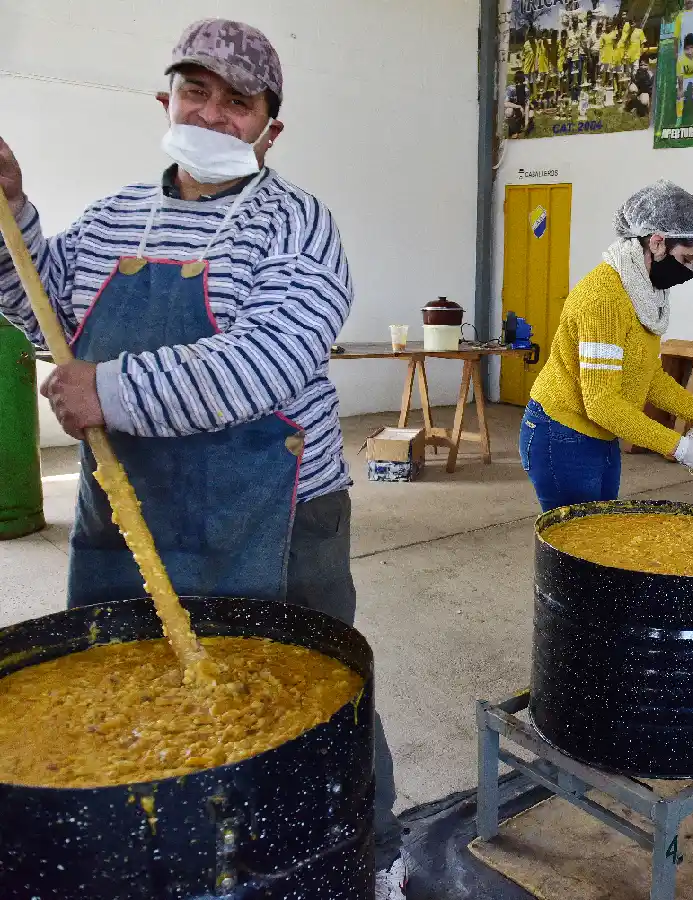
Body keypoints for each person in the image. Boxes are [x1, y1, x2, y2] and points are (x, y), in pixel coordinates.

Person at [0, 17, 401, 843]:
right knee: (137, 698)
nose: (213, 115)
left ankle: (371, 849)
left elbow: (267, 364)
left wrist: (106, 391)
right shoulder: (114, 219)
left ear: (270, 127)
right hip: (132, 509)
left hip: (276, 515)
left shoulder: (296, 225)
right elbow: (35, 303)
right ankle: (178, 854)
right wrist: (10, 211)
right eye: (196, 92)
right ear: (166, 101)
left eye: (239, 102)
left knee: (311, 704)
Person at [520, 181, 693, 512]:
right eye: (687, 259)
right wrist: (680, 447)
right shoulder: (605, 298)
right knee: (576, 543)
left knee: (600, 533)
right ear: (658, 242)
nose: (689, 271)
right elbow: (601, 403)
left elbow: (648, 375)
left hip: (601, 433)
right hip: (562, 433)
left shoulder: (645, 294)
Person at [676, 33, 693, 125]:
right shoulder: (680, 58)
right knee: (679, 94)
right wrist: (680, 89)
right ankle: (679, 118)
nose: (689, 51)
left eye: (691, 48)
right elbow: (680, 76)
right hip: (685, 76)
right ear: (684, 49)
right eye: (686, 49)